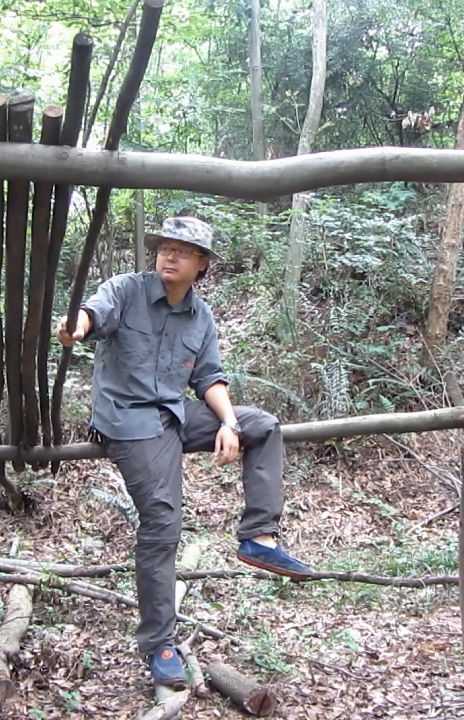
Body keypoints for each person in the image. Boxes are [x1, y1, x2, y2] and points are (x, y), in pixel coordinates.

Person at [55, 216, 313, 689]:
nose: (169, 256)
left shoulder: (201, 316)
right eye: (165, 247)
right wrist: (75, 326)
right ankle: (159, 644)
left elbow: (209, 378)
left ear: (202, 264)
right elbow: (91, 316)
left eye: (183, 250)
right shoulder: (126, 290)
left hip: (174, 412)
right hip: (128, 420)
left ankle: (259, 537)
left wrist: (230, 424)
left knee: (263, 425)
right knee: (163, 521)